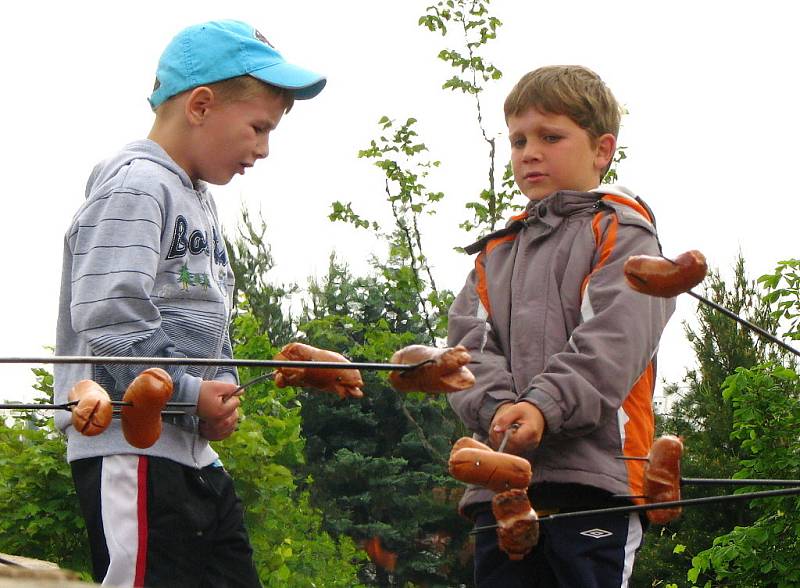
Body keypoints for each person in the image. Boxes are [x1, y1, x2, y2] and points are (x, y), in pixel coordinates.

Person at [53, 20, 326, 587]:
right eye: (258, 127)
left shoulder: (195, 197)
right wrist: (189, 392)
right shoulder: (137, 186)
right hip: (129, 446)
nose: (264, 148)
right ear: (200, 105)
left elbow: (206, 316)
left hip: (190, 451)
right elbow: (110, 318)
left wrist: (218, 393)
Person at [447, 65, 675, 587]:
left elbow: (615, 339)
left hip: (594, 482)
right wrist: (500, 406)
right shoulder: (494, 254)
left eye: (551, 137)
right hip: (500, 485)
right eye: (519, 140)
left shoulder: (624, 232)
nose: (530, 152)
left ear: (601, 150)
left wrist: (543, 405)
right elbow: (465, 350)